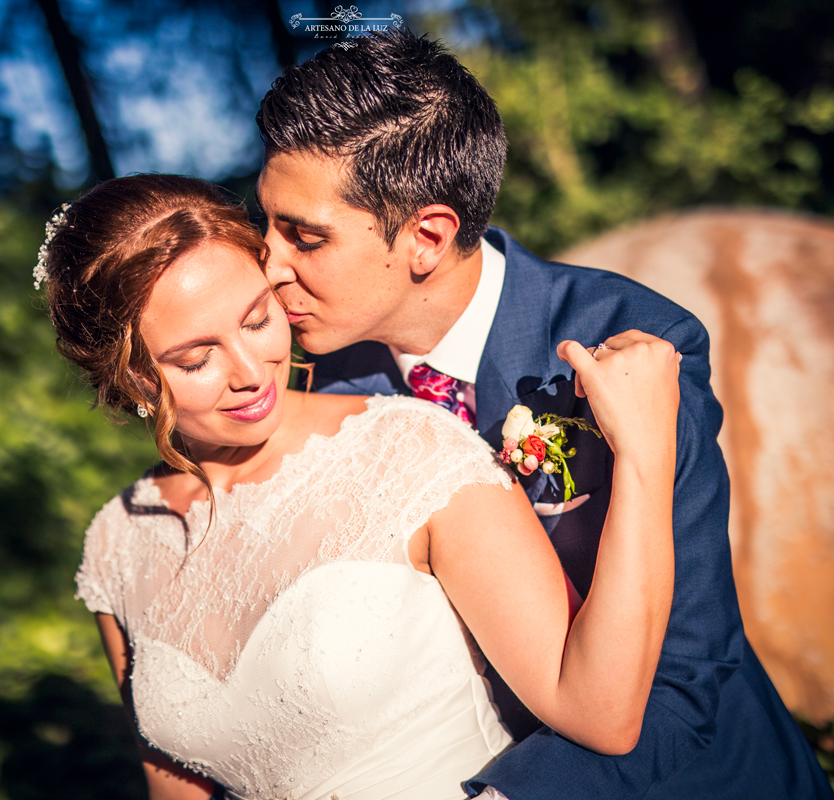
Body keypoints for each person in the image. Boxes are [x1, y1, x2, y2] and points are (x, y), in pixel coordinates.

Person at [254, 28, 833, 799]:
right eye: (265, 224)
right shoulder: (320, 383)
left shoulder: (630, 349)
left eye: (303, 236)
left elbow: (681, 678)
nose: (266, 264)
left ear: (427, 237)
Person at [39, 174, 684, 799]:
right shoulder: (119, 540)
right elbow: (173, 782)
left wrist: (642, 456)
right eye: (196, 358)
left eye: (258, 318)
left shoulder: (410, 449)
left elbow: (598, 709)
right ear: (126, 379)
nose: (249, 370)